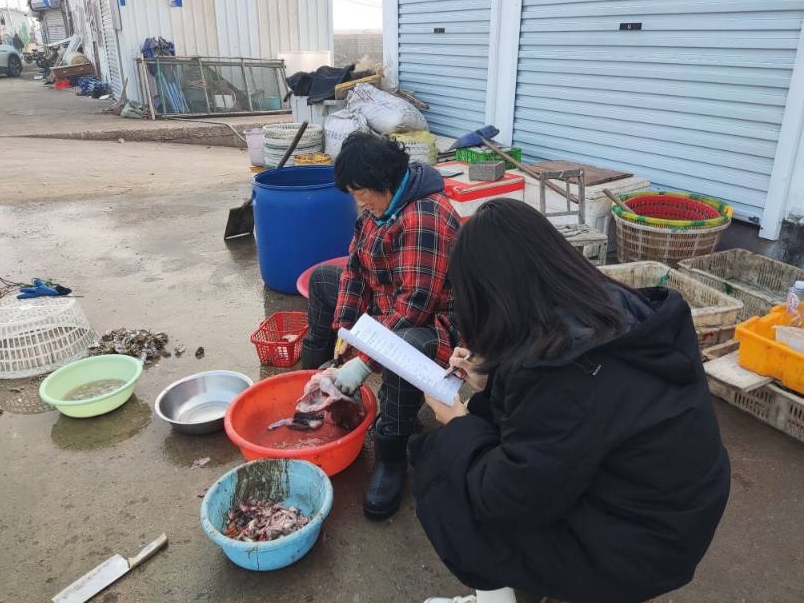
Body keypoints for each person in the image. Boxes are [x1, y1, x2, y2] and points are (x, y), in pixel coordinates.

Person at [411, 199, 731, 603]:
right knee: (477, 447)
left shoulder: (560, 370)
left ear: (492, 294)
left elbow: (506, 498)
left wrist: (457, 422)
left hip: (642, 546)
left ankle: (502, 600)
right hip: (679, 507)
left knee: (446, 479)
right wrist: (492, 374)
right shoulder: (605, 306)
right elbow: (559, 426)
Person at [302, 132, 461, 520]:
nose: (358, 202)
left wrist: (365, 361)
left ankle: (391, 452)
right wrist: (344, 336)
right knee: (324, 279)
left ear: (384, 181)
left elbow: (415, 306)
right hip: (388, 306)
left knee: (404, 347)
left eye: (361, 192)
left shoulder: (425, 216)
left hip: (434, 325)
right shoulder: (377, 210)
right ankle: (315, 379)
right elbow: (355, 272)